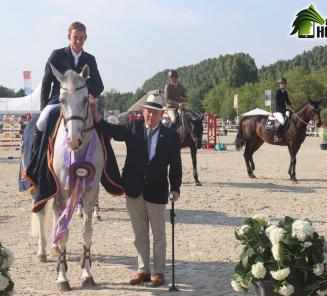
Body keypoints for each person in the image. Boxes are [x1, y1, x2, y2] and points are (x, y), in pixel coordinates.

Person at [90, 93, 182, 287]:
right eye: (148, 111)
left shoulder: (171, 136)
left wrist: (175, 188)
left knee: (159, 236)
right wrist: (96, 114)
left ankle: (159, 272)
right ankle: (143, 271)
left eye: (155, 112)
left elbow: (176, 165)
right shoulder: (132, 128)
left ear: (161, 114)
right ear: (143, 111)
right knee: (139, 235)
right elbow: (109, 130)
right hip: (133, 190)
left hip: (157, 191)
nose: (151, 115)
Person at [33, 21, 104, 151]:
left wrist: (82, 90)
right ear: (69, 37)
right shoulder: (56, 55)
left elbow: (99, 85)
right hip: (60, 99)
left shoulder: (90, 59)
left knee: (100, 125)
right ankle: (35, 158)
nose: (78, 41)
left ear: (85, 38)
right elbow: (46, 83)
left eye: (81, 38)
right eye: (75, 37)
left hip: (82, 102)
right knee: (41, 121)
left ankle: (107, 165)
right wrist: (44, 107)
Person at [273, 77, 293, 142]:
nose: (284, 85)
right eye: (282, 83)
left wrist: (290, 105)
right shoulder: (277, 91)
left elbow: (287, 101)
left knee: (291, 117)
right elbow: (278, 102)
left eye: (284, 83)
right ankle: (276, 136)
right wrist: (284, 109)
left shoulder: (285, 92)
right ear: (279, 84)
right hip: (277, 110)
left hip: (283, 110)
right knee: (282, 121)